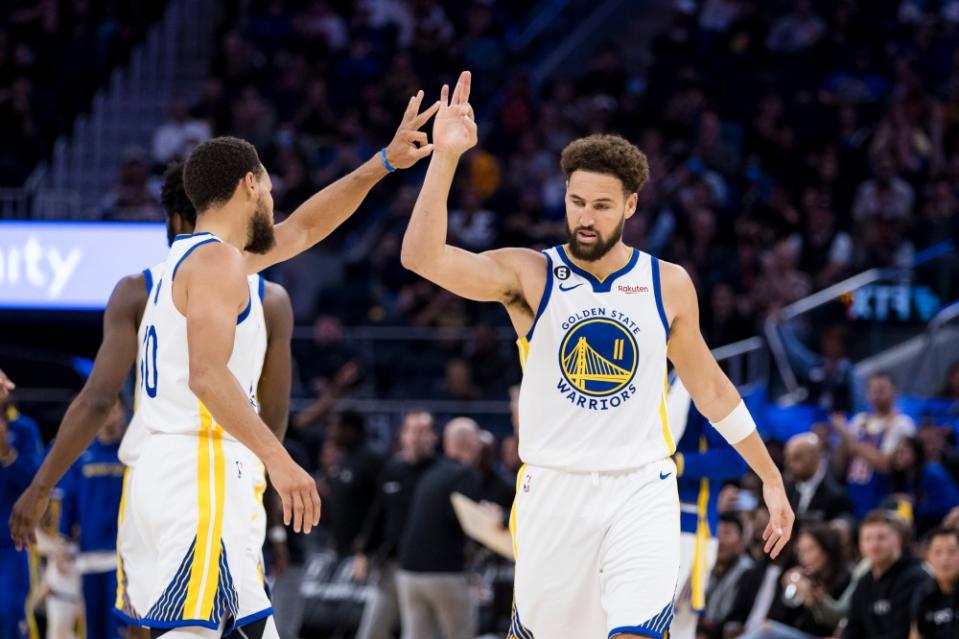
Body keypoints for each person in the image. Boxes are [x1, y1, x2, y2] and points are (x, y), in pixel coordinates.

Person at [10, 93, 437, 637]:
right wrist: (279, 461)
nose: (276, 198)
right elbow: (207, 375)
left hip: (169, 474)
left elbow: (305, 228)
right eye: (271, 187)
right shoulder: (216, 261)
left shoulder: (184, 264)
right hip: (201, 470)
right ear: (250, 184)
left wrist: (383, 163)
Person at [400, 70, 793, 638]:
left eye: (602, 206)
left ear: (631, 205)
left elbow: (711, 389)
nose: (585, 217)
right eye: (576, 201)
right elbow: (421, 258)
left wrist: (769, 476)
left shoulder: (668, 283)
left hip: (641, 487)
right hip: (552, 491)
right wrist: (447, 158)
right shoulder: (532, 273)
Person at [353, 410, 438, 639]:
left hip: (425, 569)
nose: (417, 437)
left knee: (418, 634)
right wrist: (363, 553)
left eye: (423, 431)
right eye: (412, 431)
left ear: (433, 437)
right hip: (391, 565)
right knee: (372, 632)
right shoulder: (393, 469)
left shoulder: (440, 473)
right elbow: (378, 514)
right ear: (403, 435)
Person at [396, 417, 483, 639]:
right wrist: (488, 517)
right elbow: (465, 522)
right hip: (443, 572)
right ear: (473, 444)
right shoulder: (466, 474)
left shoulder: (431, 473)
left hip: (408, 571)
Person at [58, 399, 128, 639]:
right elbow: (69, 501)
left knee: (117, 631)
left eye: (115, 408)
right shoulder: (83, 455)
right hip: (87, 557)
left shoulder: (128, 455)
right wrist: (62, 542)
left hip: (119, 559)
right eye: (107, 407)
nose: (110, 414)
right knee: (93, 631)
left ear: (122, 414)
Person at [740, 524, 852, 639]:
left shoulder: (846, 579)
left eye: (810, 549)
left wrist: (816, 600)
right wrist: (788, 589)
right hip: (800, 633)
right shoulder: (800, 575)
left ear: (827, 550)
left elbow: (836, 622)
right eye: (801, 551)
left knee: (766, 631)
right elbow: (781, 617)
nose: (804, 557)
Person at [831, 372, 916, 519]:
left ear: (895, 392)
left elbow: (887, 464)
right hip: (856, 495)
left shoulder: (902, 424)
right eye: (873, 390)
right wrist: (841, 443)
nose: (877, 395)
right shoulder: (859, 421)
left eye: (882, 389)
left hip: (886, 496)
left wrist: (849, 439)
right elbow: (840, 467)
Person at [842, 509, 930, 639]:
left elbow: (903, 632)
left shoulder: (915, 577)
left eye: (881, 537)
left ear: (899, 539)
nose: (874, 545)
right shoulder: (864, 581)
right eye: (867, 538)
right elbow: (853, 626)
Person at [1, 395, 42, 639]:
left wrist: (7, 454)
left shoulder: (24, 429)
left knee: (10, 615)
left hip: (12, 543)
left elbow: (36, 485)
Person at [784, 433, 853, 523]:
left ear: (815, 456)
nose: (790, 464)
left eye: (797, 458)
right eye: (788, 458)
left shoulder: (836, 493)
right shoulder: (786, 490)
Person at [912, 526, 959, 639]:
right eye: (937, 552)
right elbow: (915, 634)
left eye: (952, 552)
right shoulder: (923, 593)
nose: (944, 559)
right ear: (927, 557)